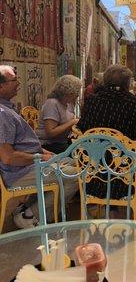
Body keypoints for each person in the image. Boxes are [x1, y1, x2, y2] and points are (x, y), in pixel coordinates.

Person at [77, 64, 136, 221]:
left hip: (96, 174)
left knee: (109, 155)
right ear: (128, 83)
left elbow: (82, 130)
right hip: (129, 175)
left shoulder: (91, 103)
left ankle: (112, 212)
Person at [0, 65, 78, 229]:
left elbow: (22, 143)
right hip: (19, 173)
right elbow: (8, 157)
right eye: (14, 80)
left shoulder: (7, 107)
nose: (18, 83)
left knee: (72, 164)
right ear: (1, 85)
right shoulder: (2, 114)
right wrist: (41, 157)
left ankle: (26, 209)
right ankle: (32, 216)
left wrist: (43, 152)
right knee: (75, 175)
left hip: (31, 163)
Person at [36, 75, 82, 154]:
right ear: (69, 92)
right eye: (76, 92)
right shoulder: (52, 104)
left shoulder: (69, 104)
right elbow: (50, 132)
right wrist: (72, 122)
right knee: (77, 155)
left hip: (62, 141)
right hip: (48, 144)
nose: (77, 95)